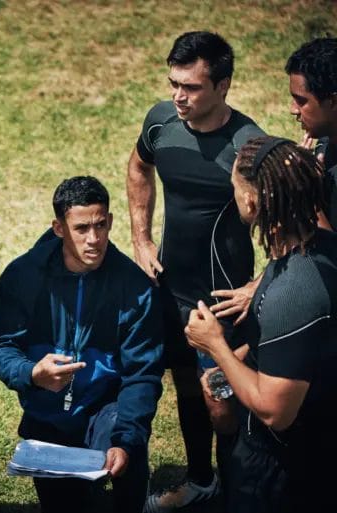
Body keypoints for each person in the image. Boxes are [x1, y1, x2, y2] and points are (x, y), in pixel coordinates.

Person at [126, 31, 265, 511]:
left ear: (223, 86)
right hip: (171, 290)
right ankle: (202, 480)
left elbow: (300, 229)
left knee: (222, 405)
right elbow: (138, 168)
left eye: (191, 87)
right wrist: (141, 238)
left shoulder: (248, 147)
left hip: (222, 302)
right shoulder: (161, 122)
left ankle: (239, 494)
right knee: (185, 384)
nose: (178, 96)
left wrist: (257, 286)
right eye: (174, 84)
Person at [0, 176, 164, 513]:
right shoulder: (24, 276)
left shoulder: (134, 286)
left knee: (130, 456)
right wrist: (31, 373)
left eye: (100, 225)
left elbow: (142, 373)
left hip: (106, 407)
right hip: (46, 415)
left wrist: (125, 440)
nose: (94, 239)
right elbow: (0, 345)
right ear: (59, 228)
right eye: (81, 228)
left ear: (110, 221)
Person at [185, 136, 337, 513]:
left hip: (282, 471)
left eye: (235, 187)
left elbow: (275, 411)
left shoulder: (294, 292)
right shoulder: (313, 244)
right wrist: (232, 363)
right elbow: (288, 349)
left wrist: (215, 345)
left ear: (252, 201)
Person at [285, 37, 337, 228]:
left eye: (301, 101)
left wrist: (305, 191)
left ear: (333, 102)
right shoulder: (325, 140)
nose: (293, 110)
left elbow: (330, 247)